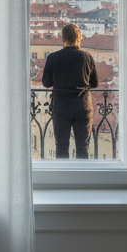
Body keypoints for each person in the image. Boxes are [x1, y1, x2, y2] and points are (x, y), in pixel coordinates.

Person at [40, 23, 100, 159]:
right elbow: (95, 83)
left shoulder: (53, 58)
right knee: (82, 147)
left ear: (63, 38)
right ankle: (82, 178)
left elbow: (46, 83)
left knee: (61, 147)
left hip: (61, 107)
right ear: (79, 38)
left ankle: (62, 178)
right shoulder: (87, 57)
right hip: (82, 106)